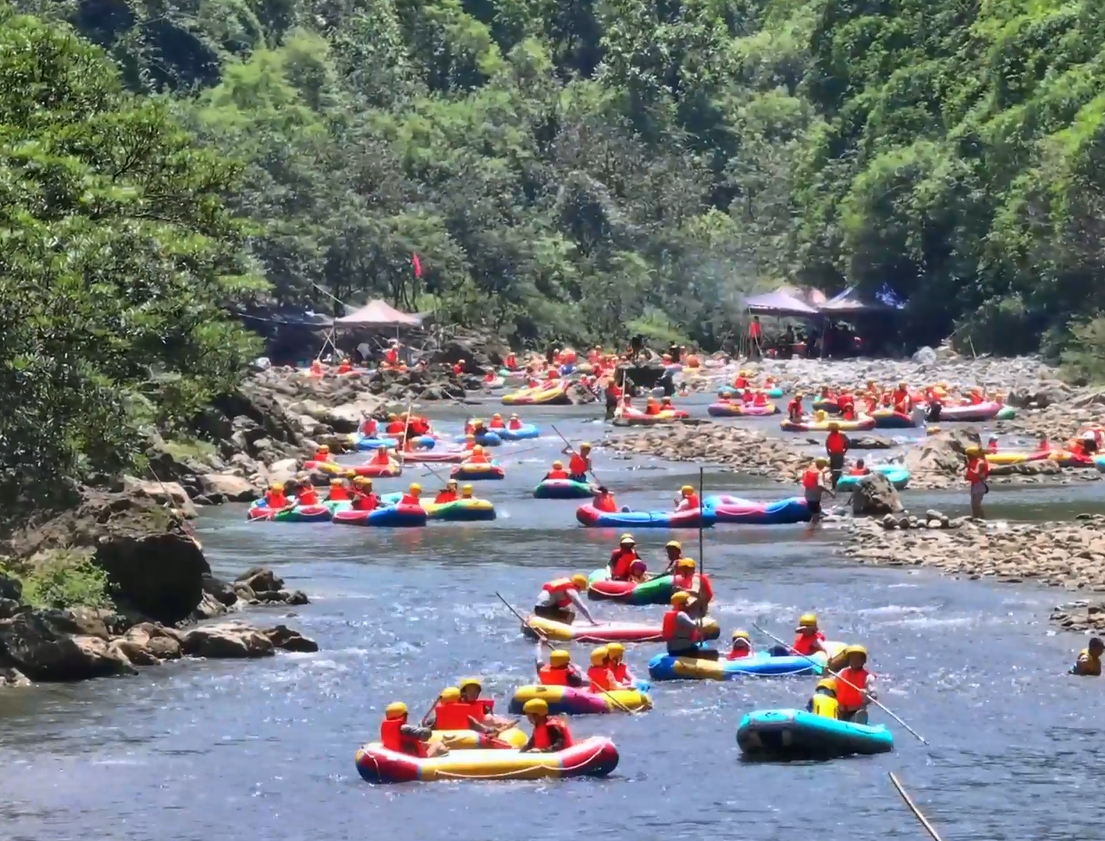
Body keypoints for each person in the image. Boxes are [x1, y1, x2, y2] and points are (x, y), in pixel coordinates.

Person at [379, 701, 447, 757]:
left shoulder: (387, 727)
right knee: (438, 745)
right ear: (404, 715)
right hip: (415, 760)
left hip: (398, 756)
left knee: (426, 745)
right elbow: (427, 734)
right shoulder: (404, 728)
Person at [663, 591, 718, 659]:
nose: (689, 605)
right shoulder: (681, 615)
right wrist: (698, 616)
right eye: (687, 603)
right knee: (714, 653)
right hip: (684, 650)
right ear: (681, 605)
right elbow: (695, 626)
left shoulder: (673, 614)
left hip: (672, 650)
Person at [835, 645, 876, 723]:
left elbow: (874, 696)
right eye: (852, 658)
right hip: (840, 710)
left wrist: (866, 694)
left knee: (859, 716)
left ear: (863, 661)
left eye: (858, 658)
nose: (855, 661)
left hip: (856, 712)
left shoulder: (868, 677)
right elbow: (832, 681)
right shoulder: (843, 672)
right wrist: (826, 673)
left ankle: (858, 724)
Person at [802, 457, 835, 525]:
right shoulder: (819, 473)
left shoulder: (811, 471)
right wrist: (830, 492)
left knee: (814, 516)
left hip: (808, 496)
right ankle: (812, 532)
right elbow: (820, 485)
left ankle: (812, 531)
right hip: (814, 498)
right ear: (822, 465)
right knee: (816, 517)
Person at [965, 445, 989, 519]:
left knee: (976, 505)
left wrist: (969, 468)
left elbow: (976, 473)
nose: (967, 457)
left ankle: (982, 520)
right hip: (974, 485)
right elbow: (968, 477)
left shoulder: (980, 463)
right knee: (973, 505)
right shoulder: (973, 462)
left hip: (979, 485)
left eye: (968, 455)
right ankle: (976, 519)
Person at [825, 422, 849, 489]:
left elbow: (848, 442)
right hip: (833, 454)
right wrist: (828, 451)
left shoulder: (841, 434)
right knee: (833, 470)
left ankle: (838, 485)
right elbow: (826, 443)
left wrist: (845, 450)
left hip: (839, 454)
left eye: (833, 429)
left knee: (838, 470)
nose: (832, 430)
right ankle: (834, 486)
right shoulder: (830, 435)